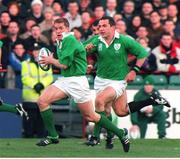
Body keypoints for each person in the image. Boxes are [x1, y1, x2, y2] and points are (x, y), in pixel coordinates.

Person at [36, 17, 130, 153]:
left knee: (91, 116)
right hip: (66, 79)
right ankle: (52, 136)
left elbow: (64, 64)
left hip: (77, 83)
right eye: (55, 29)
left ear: (67, 28)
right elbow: (74, 60)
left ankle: (121, 133)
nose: (58, 31)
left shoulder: (69, 40)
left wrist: (50, 60)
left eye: (61, 28)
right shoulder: (61, 40)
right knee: (42, 101)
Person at [84, 16, 170, 147]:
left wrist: (134, 70)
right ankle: (151, 100)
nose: (100, 29)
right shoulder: (96, 40)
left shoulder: (124, 40)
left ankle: (95, 137)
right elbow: (80, 51)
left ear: (113, 27)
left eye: (104, 26)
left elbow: (142, 52)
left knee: (99, 101)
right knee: (119, 111)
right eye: (99, 26)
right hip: (101, 80)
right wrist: (87, 58)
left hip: (118, 81)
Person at [21, 44, 53, 138]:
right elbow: (25, 78)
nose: (36, 53)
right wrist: (35, 85)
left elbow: (49, 76)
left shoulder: (46, 63)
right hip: (29, 97)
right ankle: (28, 135)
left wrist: (42, 84)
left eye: (38, 51)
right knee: (29, 118)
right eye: (35, 51)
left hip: (43, 96)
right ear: (31, 52)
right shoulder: (25, 63)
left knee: (42, 118)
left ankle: (41, 136)